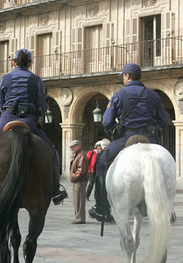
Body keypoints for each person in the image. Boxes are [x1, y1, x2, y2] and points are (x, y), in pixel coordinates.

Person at [91, 63, 169, 221]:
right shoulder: (153, 95)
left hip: (126, 137)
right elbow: (164, 121)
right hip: (150, 140)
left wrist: (115, 129)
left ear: (127, 76)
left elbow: (106, 121)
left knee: (100, 162)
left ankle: (101, 208)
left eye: (123, 76)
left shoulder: (119, 95)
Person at [0, 48, 67, 205]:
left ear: (13, 62)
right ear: (30, 63)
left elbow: (0, 103)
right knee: (51, 151)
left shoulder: (5, 79)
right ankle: (56, 189)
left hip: (7, 118)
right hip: (29, 121)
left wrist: (7, 113)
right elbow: (41, 105)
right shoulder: (36, 79)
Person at [69, 140, 89, 224]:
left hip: (80, 181)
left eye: (73, 147)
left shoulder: (81, 155)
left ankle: (80, 218)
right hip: (77, 180)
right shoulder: (77, 155)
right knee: (76, 200)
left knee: (79, 200)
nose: (71, 148)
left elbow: (81, 170)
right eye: (70, 147)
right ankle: (78, 217)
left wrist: (73, 177)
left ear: (78, 146)